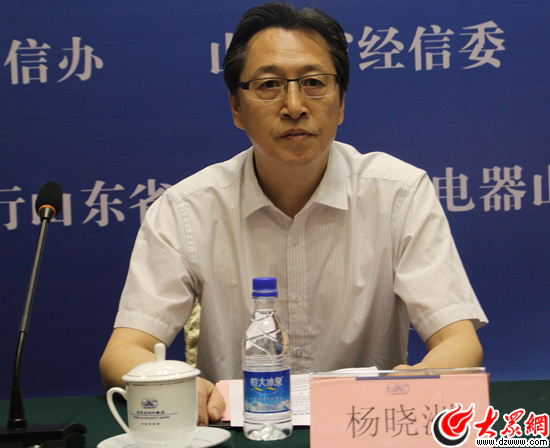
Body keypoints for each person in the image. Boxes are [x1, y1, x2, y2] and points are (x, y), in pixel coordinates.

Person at [100, 2, 487, 427]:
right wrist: (173, 385)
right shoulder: (186, 209)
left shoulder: (400, 194)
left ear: (341, 103)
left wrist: (416, 382)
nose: (294, 105)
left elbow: (459, 341)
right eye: (269, 85)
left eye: (314, 83)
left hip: (364, 428)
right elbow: (123, 351)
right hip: (244, 433)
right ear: (236, 107)